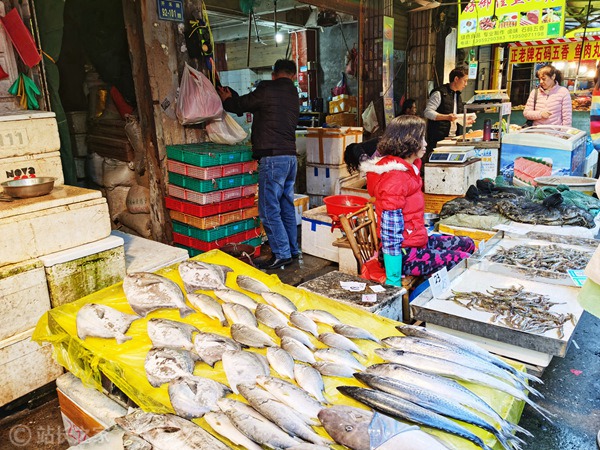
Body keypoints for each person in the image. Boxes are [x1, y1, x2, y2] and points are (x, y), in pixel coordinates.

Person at [361, 115, 475, 286]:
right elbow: (390, 233)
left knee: (467, 244)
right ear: (409, 141)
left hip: (416, 242)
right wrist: (393, 278)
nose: (426, 144)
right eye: (422, 139)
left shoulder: (409, 170)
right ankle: (428, 298)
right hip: (405, 255)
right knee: (463, 260)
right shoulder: (395, 179)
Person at [217, 59, 300, 270]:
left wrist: (227, 99)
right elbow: (252, 103)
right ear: (294, 76)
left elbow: (242, 105)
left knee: (268, 209)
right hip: (290, 158)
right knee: (285, 207)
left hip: (273, 159)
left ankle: (281, 253)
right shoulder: (293, 93)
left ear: (274, 74)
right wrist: (234, 96)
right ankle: (291, 249)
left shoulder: (267, 88)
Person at [424, 67, 472, 159]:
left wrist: (465, 121)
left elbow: (456, 117)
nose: (466, 84)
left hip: (453, 137)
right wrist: (446, 117)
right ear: (456, 79)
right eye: (464, 81)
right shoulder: (439, 93)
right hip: (439, 137)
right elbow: (428, 112)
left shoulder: (458, 95)